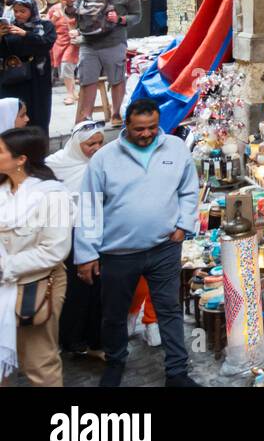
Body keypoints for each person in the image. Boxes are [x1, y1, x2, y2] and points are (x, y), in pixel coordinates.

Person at [74, 97, 201, 387]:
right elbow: (89, 207)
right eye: (139, 129)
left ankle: (177, 373)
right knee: (114, 314)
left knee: (169, 310)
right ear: (126, 126)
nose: (146, 134)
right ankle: (115, 363)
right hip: (119, 253)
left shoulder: (175, 148)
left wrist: (183, 225)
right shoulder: (105, 158)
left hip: (165, 248)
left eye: (152, 128)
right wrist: (86, 254)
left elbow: (188, 189)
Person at [0, 126, 72, 386]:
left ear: (21, 160)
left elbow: (54, 249)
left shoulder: (52, 196)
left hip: (36, 286)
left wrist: (6, 266)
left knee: (39, 363)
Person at [47, 121, 106, 358]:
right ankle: (72, 339)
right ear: (75, 144)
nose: (96, 148)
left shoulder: (104, 163)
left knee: (98, 288)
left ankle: (96, 339)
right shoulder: (55, 165)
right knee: (74, 290)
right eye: (90, 143)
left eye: (100, 142)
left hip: (98, 229)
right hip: (67, 234)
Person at [75, 0, 141, 126]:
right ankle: (86, 117)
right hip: (88, 43)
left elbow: (137, 16)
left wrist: (120, 19)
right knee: (87, 79)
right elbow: (75, 8)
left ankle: (116, 113)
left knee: (117, 79)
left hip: (114, 42)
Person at [0, 0, 56, 133]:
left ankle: (37, 147)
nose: (18, 14)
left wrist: (26, 34)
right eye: (16, 11)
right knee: (13, 112)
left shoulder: (45, 26)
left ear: (32, 10)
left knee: (37, 113)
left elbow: (46, 43)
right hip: (12, 77)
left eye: (23, 11)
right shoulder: (9, 27)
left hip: (37, 79)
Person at [48, 0, 81, 107]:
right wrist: (54, 17)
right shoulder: (53, 9)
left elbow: (83, 23)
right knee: (65, 67)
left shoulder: (76, 8)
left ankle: (70, 95)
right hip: (58, 41)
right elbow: (48, 26)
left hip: (72, 41)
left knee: (67, 64)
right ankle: (73, 92)